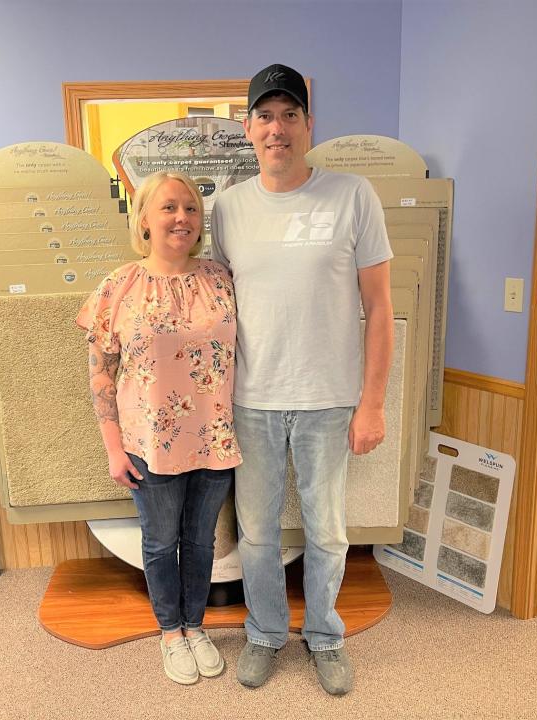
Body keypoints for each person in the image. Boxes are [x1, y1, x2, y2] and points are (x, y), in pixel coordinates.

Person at [210, 63, 394, 696]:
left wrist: (373, 403)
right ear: (248, 127)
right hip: (251, 401)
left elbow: (381, 310)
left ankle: (325, 635)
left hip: (329, 400)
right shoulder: (226, 210)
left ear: (309, 125)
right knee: (257, 534)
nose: (277, 128)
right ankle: (264, 632)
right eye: (265, 116)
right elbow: (214, 308)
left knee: (328, 533)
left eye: (290, 115)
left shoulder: (352, 196)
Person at [76, 171, 241, 685]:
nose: (181, 218)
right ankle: (170, 631)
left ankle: (196, 626)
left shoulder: (221, 278)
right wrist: (112, 449)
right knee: (159, 539)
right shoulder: (119, 287)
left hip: (214, 438)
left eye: (191, 209)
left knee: (200, 542)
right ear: (144, 219)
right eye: (169, 208)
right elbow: (101, 371)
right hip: (150, 445)